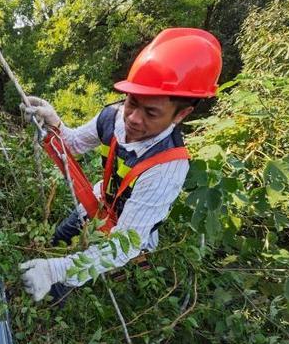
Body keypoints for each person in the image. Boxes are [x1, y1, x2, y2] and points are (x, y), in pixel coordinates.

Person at [19, 28, 223, 302]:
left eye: (151, 112)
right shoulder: (112, 117)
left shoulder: (167, 167)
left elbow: (122, 247)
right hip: (98, 203)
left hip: (127, 232)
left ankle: (52, 302)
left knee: (60, 279)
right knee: (61, 237)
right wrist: (54, 121)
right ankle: (43, 277)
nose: (134, 119)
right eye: (132, 102)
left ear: (182, 114)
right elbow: (75, 144)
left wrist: (55, 271)